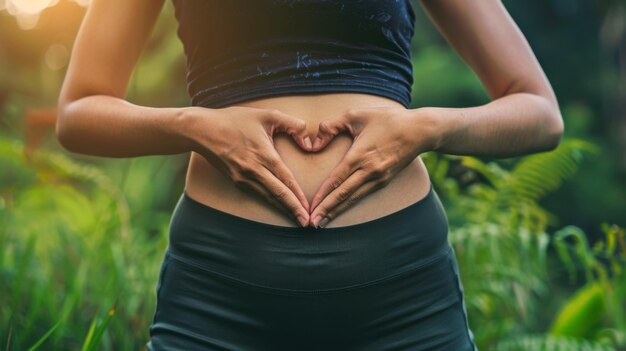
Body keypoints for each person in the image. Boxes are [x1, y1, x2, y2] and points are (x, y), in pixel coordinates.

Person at [55, 0, 563, 350]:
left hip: (402, 294)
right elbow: (79, 113)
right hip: (219, 290)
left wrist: (424, 127)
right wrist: (195, 125)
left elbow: (539, 113)